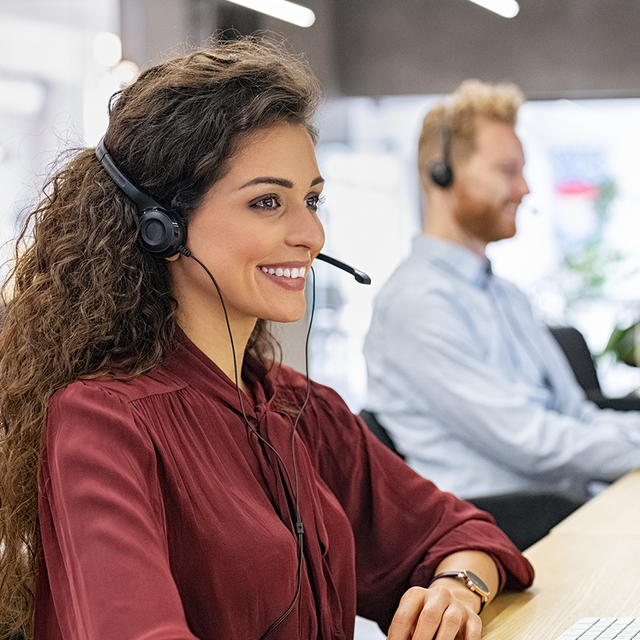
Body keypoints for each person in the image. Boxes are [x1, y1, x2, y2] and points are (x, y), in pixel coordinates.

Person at [0, 40, 533, 640]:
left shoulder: (300, 406)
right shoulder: (101, 423)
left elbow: (463, 534)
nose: (310, 233)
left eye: (310, 199)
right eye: (266, 202)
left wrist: (457, 591)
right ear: (161, 225)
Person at [363, 79, 640, 542]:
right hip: (500, 533)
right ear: (442, 173)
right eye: (507, 170)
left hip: (566, 516)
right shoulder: (417, 304)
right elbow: (531, 442)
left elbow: (578, 416)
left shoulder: (507, 296)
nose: (525, 188)